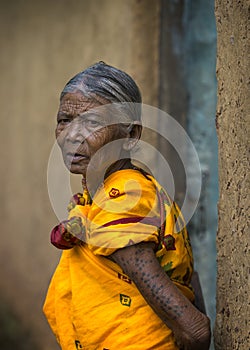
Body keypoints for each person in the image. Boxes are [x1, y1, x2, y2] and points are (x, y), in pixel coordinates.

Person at [43, 62, 211, 350]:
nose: (72, 134)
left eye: (93, 123)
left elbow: (195, 330)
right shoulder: (128, 189)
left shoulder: (121, 200)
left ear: (131, 136)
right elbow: (189, 278)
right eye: (65, 120)